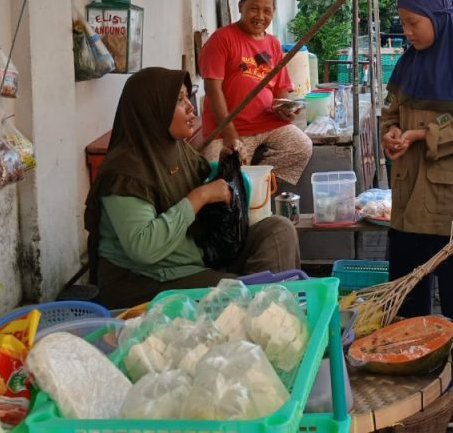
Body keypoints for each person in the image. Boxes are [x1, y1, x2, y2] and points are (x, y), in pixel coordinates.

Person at [84, 67, 300, 309]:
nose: (190, 107)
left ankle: (274, 315)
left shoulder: (176, 149)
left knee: (278, 230)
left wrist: (227, 163)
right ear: (152, 110)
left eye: (188, 96)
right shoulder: (125, 170)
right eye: (178, 101)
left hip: (193, 258)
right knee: (236, 293)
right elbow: (143, 247)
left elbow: (206, 184)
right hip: (146, 281)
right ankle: (264, 321)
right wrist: (200, 196)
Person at [381, 0, 453, 429]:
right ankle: (415, 385)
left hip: (451, 205)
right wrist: (390, 133)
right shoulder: (407, 65)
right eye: (403, 24)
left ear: (440, 19)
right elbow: (390, 110)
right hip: (407, 201)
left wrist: (426, 134)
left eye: (414, 23)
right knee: (406, 295)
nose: (408, 32)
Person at [199, 0, 312, 185]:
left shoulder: (273, 44)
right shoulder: (221, 39)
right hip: (229, 128)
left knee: (301, 146)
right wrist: (230, 135)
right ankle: (245, 190)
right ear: (241, 6)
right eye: (254, 9)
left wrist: (283, 109)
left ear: (273, 12)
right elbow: (212, 89)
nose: (260, 17)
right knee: (220, 173)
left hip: (268, 124)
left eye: (267, 11)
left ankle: (260, 187)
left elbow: (280, 90)